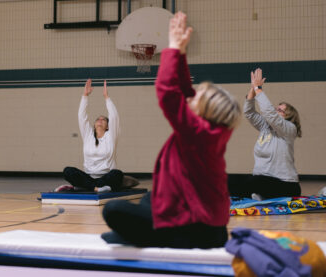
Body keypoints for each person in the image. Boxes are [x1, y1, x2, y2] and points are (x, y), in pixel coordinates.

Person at [101, 12, 241, 249]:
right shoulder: (210, 129)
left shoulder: (198, 134)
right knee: (150, 197)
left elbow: (168, 92)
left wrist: (173, 49)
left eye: (198, 98)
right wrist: (182, 53)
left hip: (198, 230)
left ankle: (152, 237)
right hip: (210, 225)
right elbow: (184, 89)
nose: (192, 96)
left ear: (204, 112)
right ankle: (143, 233)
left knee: (113, 210)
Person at [228, 68, 302, 200]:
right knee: (228, 179)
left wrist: (258, 88)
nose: (275, 110)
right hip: (261, 179)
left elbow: (270, 113)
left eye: (280, 110)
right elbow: (249, 113)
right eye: (276, 108)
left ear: (288, 116)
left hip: (286, 184)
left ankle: (258, 195)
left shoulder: (289, 129)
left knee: (253, 183)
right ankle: (258, 195)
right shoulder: (265, 128)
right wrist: (252, 88)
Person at [59, 79, 123, 193]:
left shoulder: (111, 136)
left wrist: (106, 97)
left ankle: (83, 187)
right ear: (94, 124)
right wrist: (85, 96)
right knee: (68, 171)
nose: (100, 120)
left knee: (117, 174)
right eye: (98, 119)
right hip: (88, 176)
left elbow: (114, 117)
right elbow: (81, 117)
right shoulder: (88, 135)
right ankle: (96, 188)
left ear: (108, 126)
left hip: (105, 176)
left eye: (103, 120)